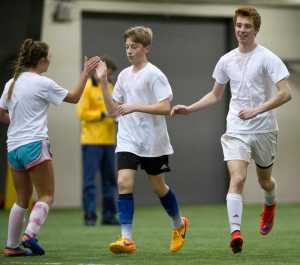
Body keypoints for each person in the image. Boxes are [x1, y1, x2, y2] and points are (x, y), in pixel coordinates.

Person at [171, 6, 292, 254]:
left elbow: (286, 93)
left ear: (256, 29)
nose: (241, 30)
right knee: (237, 178)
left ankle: (270, 205)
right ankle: (235, 233)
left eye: (247, 26)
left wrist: (258, 110)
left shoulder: (268, 57)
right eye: (238, 25)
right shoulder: (226, 60)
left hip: (264, 129)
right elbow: (215, 95)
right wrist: (190, 108)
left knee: (265, 181)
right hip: (236, 128)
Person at [0, 39, 100, 256]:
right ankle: (30, 234)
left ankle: (11, 246)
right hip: (35, 144)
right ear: (42, 61)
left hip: (14, 147)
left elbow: (1, 114)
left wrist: (18, 120)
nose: (50, 62)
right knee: (46, 195)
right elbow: (74, 98)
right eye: (49, 59)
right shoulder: (42, 83)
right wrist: (85, 73)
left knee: (21, 199)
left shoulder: (11, 83)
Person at [95, 26, 189, 254]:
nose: (129, 51)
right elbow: (111, 111)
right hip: (128, 139)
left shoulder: (154, 74)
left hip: (153, 141)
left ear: (146, 48)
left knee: (159, 187)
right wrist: (104, 83)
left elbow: (166, 107)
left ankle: (179, 224)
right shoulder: (124, 76)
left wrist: (136, 106)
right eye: (126, 47)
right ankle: (126, 238)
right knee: (123, 183)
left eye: (134, 47)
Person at [76, 56, 118, 226]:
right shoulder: (86, 88)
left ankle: (109, 216)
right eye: (105, 72)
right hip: (91, 141)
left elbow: (116, 110)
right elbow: (81, 113)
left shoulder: (111, 87)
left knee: (110, 180)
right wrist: (102, 114)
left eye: (109, 74)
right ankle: (90, 216)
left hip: (109, 141)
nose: (106, 76)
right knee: (89, 181)